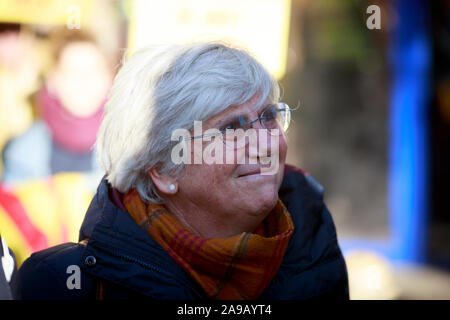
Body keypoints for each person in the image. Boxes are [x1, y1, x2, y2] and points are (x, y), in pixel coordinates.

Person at [17, 42, 349, 300]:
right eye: (232, 128)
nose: (265, 144)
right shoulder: (60, 283)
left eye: (268, 116)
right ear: (162, 169)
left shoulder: (311, 232)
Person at [1, 29, 111, 186]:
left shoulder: (131, 152)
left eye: (94, 71)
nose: (84, 82)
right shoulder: (21, 151)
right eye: (73, 71)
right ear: (53, 81)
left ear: (109, 79)